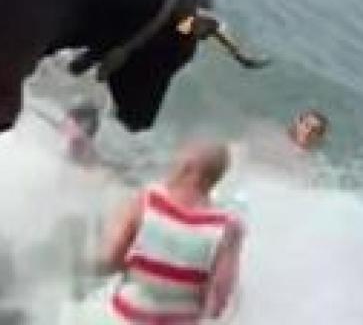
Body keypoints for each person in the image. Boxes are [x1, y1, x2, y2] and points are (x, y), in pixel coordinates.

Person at [89, 141, 244, 324]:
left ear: (187, 168)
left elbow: (110, 258)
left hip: (126, 316)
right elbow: (218, 301)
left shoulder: (148, 200)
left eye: (177, 161)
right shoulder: (228, 227)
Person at [59, 99, 102, 166]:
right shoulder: (77, 114)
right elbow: (69, 117)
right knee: (74, 139)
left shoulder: (94, 119)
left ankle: (77, 155)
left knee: (81, 141)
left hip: (80, 134)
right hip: (75, 130)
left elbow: (91, 133)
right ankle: (70, 154)